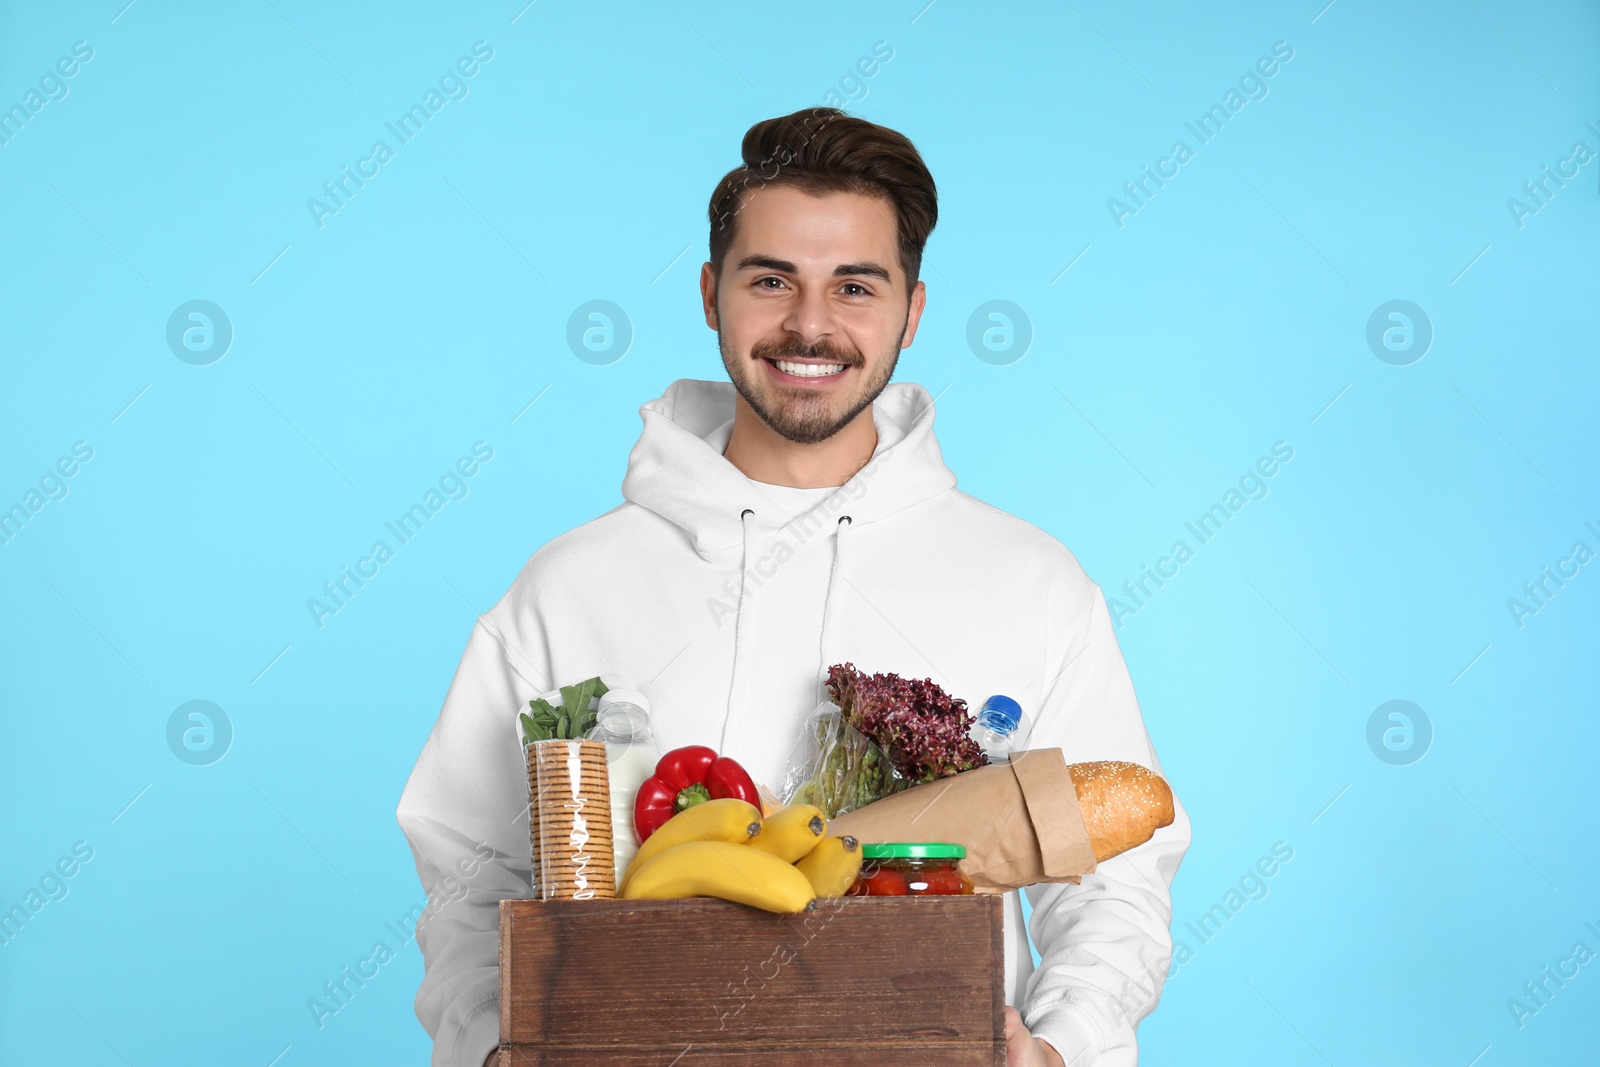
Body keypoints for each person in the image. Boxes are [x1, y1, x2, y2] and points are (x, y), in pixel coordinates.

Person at [396, 106, 1190, 1067]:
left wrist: (1062, 1048)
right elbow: (468, 875)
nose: (810, 324)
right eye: (771, 280)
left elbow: (1116, 881)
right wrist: (492, 1045)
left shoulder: (1030, 583)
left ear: (914, 309)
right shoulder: (570, 587)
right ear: (709, 294)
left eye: (855, 286)